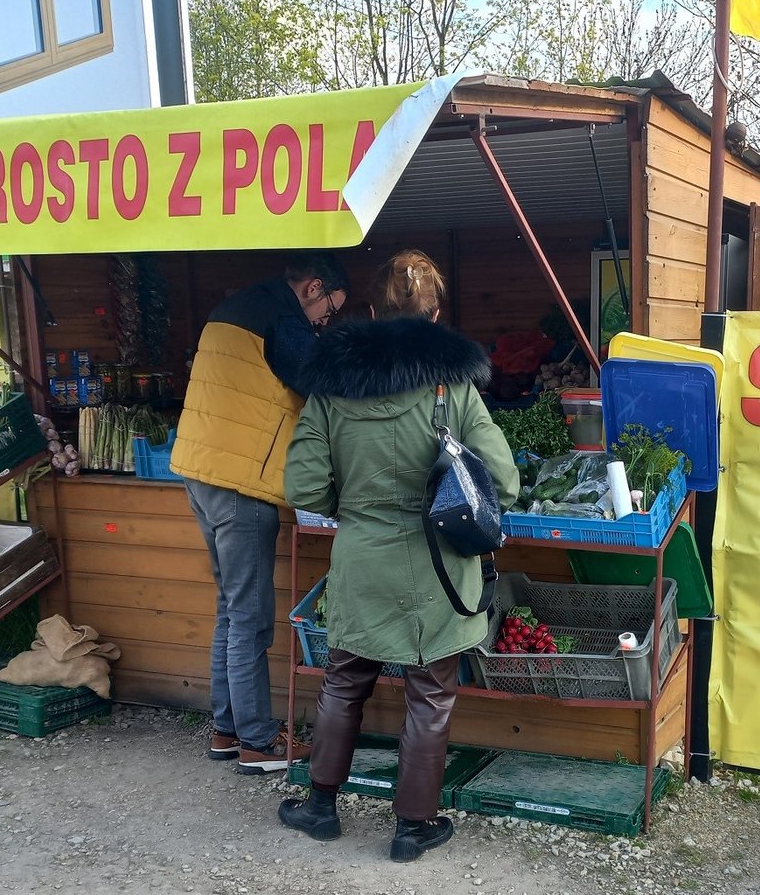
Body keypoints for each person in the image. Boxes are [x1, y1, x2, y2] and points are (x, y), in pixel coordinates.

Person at [279, 250, 520, 862]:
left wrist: (355, 508)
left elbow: (303, 486)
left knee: (343, 682)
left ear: (370, 313)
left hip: (361, 557)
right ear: (435, 316)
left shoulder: (331, 388)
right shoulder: (454, 388)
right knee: (431, 695)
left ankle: (320, 808)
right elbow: (503, 480)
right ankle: (413, 828)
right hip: (440, 568)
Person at [170, 253, 348, 774]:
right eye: (330, 311)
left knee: (231, 608)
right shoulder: (282, 319)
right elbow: (324, 386)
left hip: (200, 473)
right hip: (240, 486)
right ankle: (258, 741)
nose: (325, 322)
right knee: (249, 617)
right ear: (314, 287)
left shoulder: (235, 307)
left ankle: (227, 730)